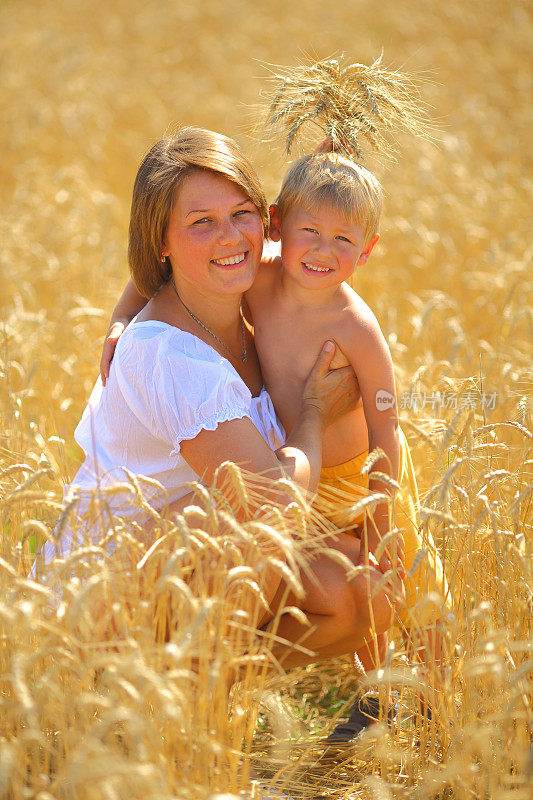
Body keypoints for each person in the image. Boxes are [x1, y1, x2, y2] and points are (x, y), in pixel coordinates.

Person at [103, 142, 449, 740]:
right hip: (291, 474)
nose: (321, 251)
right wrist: (116, 320)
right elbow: (151, 275)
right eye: (308, 231)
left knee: (402, 582)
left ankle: (426, 701)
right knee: (285, 560)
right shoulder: (258, 275)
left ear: (368, 250)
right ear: (279, 228)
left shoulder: (354, 326)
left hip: (357, 477)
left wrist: (384, 513)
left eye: (344, 240)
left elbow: (387, 424)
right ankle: (204, 694)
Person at [40, 126, 400, 673]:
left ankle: (200, 693)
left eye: (241, 214)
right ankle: (135, 686)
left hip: (198, 566)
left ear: (267, 220)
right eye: (201, 222)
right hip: (107, 589)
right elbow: (273, 503)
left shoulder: (255, 292)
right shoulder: (171, 356)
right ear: (160, 240)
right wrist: (312, 414)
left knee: (361, 590)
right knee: (238, 516)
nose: (230, 238)